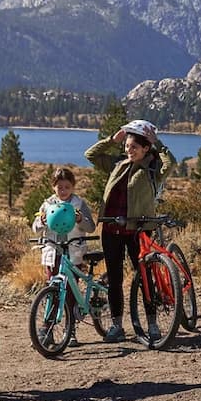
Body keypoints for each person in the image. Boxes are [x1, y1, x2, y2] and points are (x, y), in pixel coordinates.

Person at [84, 119, 176, 342]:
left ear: (145, 148)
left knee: (144, 277)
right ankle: (117, 326)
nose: (128, 150)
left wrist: (158, 143)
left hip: (138, 229)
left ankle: (152, 324)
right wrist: (111, 140)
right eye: (126, 146)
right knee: (115, 279)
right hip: (111, 228)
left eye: (133, 147)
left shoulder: (154, 168)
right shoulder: (117, 164)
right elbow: (90, 155)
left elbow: (171, 162)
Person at [31, 168, 96, 280]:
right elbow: (35, 228)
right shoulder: (47, 205)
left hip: (73, 254)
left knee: (71, 290)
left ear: (73, 187)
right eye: (59, 187)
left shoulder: (79, 204)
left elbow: (91, 228)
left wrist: (80, 220)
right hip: (52, 254)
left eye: (67, 187)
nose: (63, 191)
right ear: (53, 187)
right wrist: (41, 221)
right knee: (54, 287)